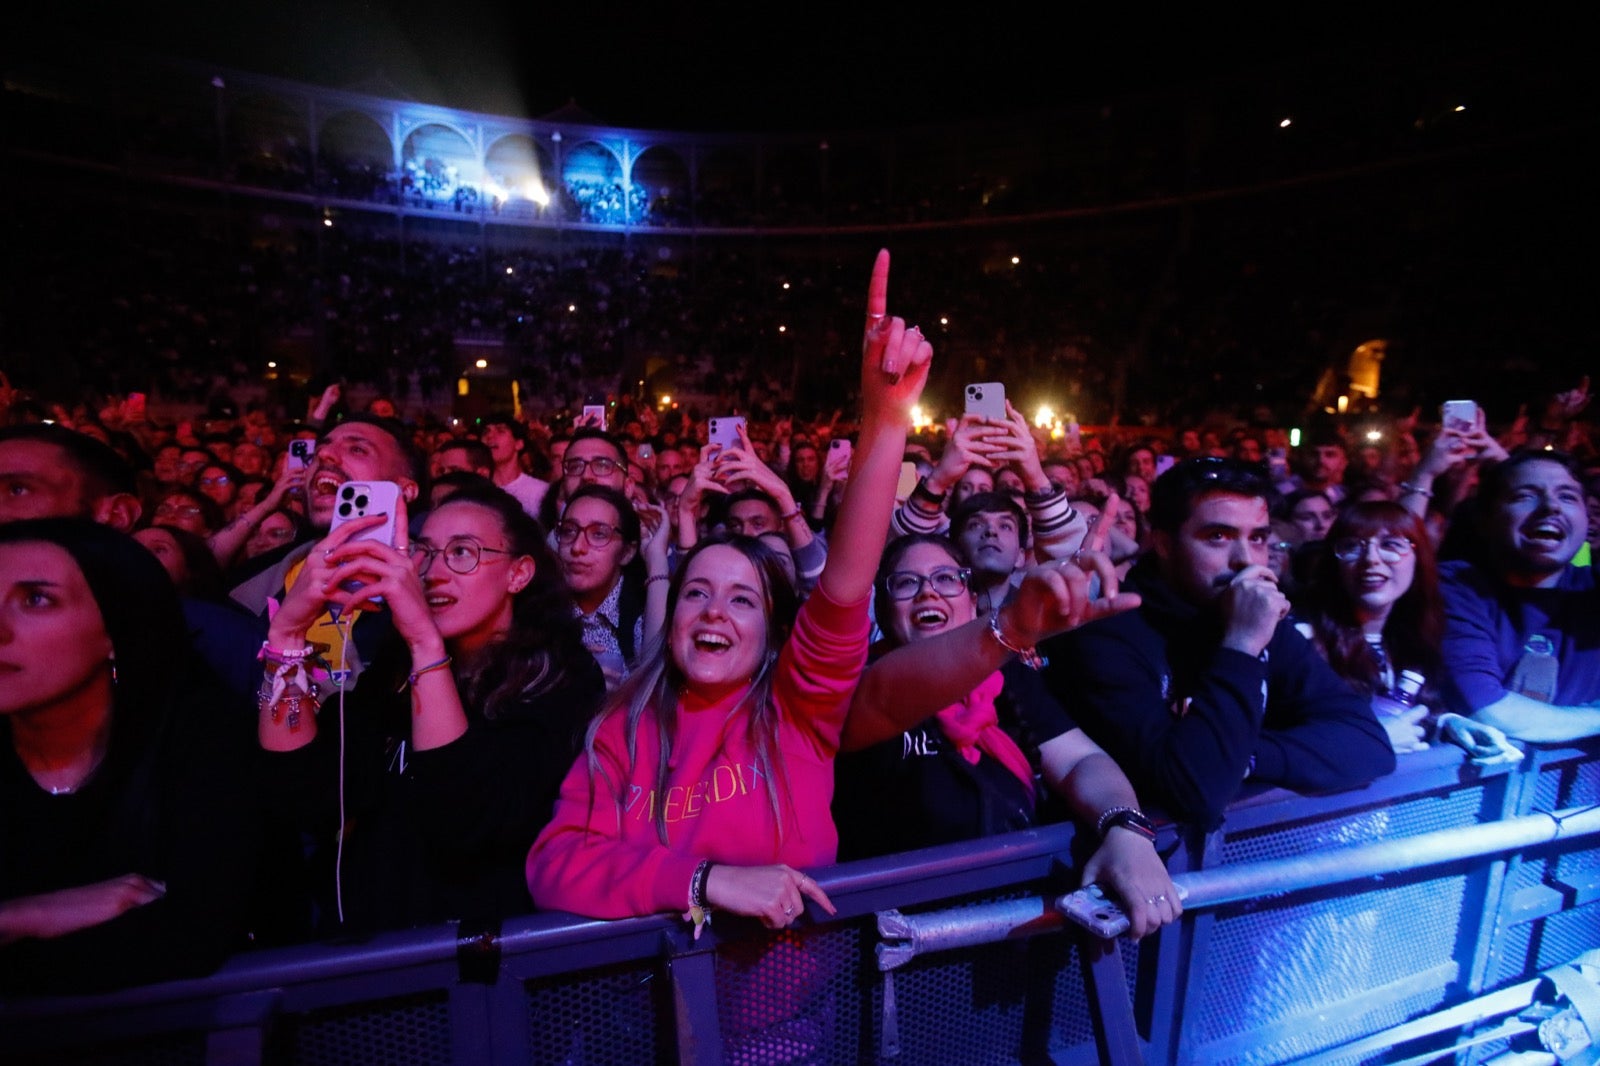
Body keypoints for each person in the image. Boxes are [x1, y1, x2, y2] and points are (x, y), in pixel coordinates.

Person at [527, 249, 931, 928]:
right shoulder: (622, 728)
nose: (715, 609)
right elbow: (554, 865)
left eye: (743, 599)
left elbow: (843, 589)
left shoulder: (799, 711)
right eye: (696, 592)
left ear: (775, 629)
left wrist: (886, 421)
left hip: (787, 1025)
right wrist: (702, 881)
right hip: (647, 1023)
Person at [258, 484, 604, 932]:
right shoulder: (394, 671)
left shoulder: (562, 678)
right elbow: (302, 793)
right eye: (425, 552)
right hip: (371, 949)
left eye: (463, 552)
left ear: (518, 574)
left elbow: (464, 824)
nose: (435, 572)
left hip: (478, 958)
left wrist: (426, 644)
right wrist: (287, 635)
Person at [834, 535, 1180, 938]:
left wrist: (1125, 829)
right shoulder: (851, 693)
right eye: (906, 583)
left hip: (1017, 925)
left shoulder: (1010, 678)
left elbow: (1079, 761)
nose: (928, 590)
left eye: (947, 578)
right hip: (899, 942)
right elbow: (883, 697)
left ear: (972, 601)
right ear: (882, 608)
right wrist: (1010, 627)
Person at [1042, 458, 1395, 829]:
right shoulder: (1108, 635)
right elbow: (1195, 792)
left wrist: (1245, 755)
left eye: (1257, 537)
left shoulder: (1258, 614)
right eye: (1218, 537)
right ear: (1162, 543)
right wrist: (1241, 644)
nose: (1245, 559)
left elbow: (1368, 743)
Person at [0, 519, 259, 994]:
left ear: (117, 629)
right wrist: (23, 917)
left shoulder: (202, 733)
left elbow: (195, 936)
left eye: (36, 599)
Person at [1440, 450, 1600, 741]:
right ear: (1484, 519)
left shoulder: (1592, 590)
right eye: (1525, 496)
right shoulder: (1458, 586)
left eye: (1567, 497)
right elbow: (1489, 710)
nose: (1551, 506)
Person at [1301, 502, 1443, 754]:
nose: (1371, 560)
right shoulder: (1303, 638)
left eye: (1390, 545)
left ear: (1418, 558)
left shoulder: (1413, 637)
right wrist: (1368, 739)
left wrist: (1445, 724)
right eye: (1352, 546)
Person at [556, 485, 669, 692]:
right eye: (569, 531)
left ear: (627, 552)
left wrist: (656, 558)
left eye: (599, 534)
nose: (577, 547)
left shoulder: (645, 610)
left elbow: (659, 680)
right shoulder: (537, 612)